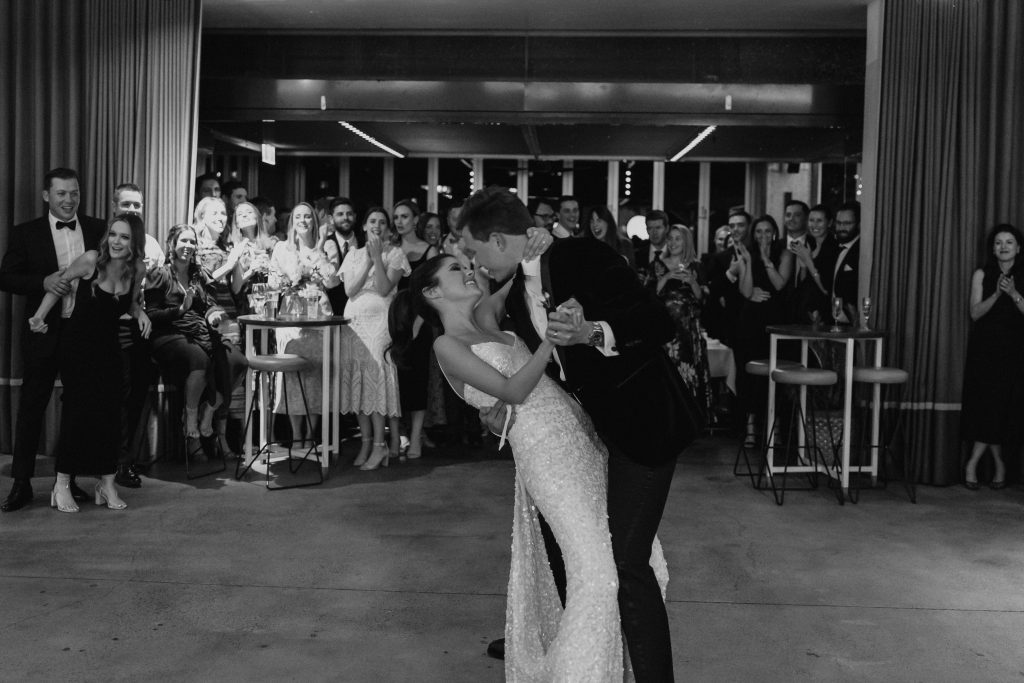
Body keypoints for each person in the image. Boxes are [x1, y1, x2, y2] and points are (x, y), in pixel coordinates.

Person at [458, 186, 693, 680]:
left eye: (474, 250)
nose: (473, 262)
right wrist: (500, 406)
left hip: (647, 424)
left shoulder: (581, 255)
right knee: (580, 554)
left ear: (497, 240)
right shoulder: (514, 295)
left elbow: (656, 322)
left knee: (627, 563)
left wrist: (592, 331)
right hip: (592, 436)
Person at [27, 214, 151, 512]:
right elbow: (59, 286)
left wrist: (141, 313)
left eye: (124, 237)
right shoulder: (91, 260)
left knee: (110, 416)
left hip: (109, 349)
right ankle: (61, 483)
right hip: (77, 347)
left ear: (134, 242)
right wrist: (39, 316)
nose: (116, 241)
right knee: (77, 414)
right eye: (113, 234)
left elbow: (130, 302)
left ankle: (106, 484)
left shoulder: (138, 269)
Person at [0, 168, 106, 512]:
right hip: (43, 331)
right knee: (32, 406)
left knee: (78, 409)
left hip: (83, 333)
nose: (69, 200)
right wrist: (42, 282)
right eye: (61, 193)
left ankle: (68, 479)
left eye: (74, 193)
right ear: (47, 195)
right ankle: (21, 483)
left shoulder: (97, 228)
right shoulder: (25, 233)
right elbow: (6, 277)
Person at [144, 224, 247, 456]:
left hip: (199, 330)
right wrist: (180, 310)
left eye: (192, 242)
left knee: (238, 362)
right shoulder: (159, 274)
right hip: (168, 333)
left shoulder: (199, 275)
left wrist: (214, 315)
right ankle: (190, 418)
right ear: (172, 244)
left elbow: (210, 305)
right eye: (183, 241)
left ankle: (208, 410)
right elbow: (152, 315)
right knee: (200, 359)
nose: (188, 246)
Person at [339, 208, 410, 469]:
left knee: (375, 380)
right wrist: (368, 261)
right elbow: (350, 289)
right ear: (364, 226)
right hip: (354, 325)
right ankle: (366, 442)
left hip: (379, 324)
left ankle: (380, 445)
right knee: (358, 383)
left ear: (388, 228)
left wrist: (378, 258)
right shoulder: (353, 254)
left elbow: (383, 288)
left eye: (382, 222)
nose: (377, 225)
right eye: (372, 221)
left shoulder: (396, 254)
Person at [269, 202, 341, 445]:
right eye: (298, 216)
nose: (303, 220)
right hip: (291, 314)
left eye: (308, 216)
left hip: (318, 313)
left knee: (316, 374)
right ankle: (297, 436)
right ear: (292, 221)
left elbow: (333, 282)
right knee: (292, 376)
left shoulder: (326, 247)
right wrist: (289, 279)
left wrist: (318, 253)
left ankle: (311, 436)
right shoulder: (282, 248)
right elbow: (272, 281)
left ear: (314, 221)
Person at [961, 225, 1024, 490]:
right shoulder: (982, 274)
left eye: (1009, 242)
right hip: (985, 350)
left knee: (1003, 407)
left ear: (1018, 248)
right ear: (993, 248)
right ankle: (993, 465)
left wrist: (1013, 293)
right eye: (999, 242)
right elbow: (974, 313)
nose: (1004, 247)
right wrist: (997, 294)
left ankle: (976, 463)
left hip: (1015, 350)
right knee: (986, 405)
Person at [109, 183, 157, 489]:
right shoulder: (106, 240)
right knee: (115, 396)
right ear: (114, 206)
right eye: (126, 204)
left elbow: (140, 295)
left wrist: (139, 311)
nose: (132, 210)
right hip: (107, 328)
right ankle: (112, 460)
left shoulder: (150, 246)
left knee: (136, 394)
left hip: (138, 328)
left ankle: (125, 461)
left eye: (137, 205)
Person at [733, 215, 794, 446]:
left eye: (767, 231)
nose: (763, 236)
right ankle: (750, 428)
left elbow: (779, 284)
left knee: (774, 373)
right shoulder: (745, 254)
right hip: (750, 320)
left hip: (775, 318)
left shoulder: (784, 254)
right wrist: (749, 262)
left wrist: (767, 260)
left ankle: (775, 428)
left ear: (775, 232)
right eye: (759, 231)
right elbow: (746, 291)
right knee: (749, 374)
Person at [644, 224, 713, 419]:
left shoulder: (696, 266)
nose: (672, 242)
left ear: (686, 241)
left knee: (688, 375)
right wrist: (666, 277)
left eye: (677, 238)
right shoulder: (657, 265)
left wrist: (692, 282)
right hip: (664, 332)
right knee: (666, 376)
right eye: (670, 238)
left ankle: (691, 419)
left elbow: (704, 300)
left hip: (688, 332)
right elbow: (647, 296)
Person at [393, 199, 440, 459]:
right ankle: (399, 434)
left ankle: (416, 437)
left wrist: (419, 323)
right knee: (395, 381)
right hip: (394, 321)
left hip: (420, 321)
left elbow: (433, 291)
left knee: (418, 381)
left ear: (415, 219)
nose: (399, 221)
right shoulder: (392, 248)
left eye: (404, 216)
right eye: (396, 217)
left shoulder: (429, 250)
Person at [789, 204, 839, 324]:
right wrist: (803, 266)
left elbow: (826, 289)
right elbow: (803, 283)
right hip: (804, 310)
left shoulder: (834, 248)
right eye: (811, 220)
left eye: (819, 221)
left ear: (829, 223)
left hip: (822, 313)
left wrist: (808, 261)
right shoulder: (809, 244)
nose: (814, 225)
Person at [831, 201, 861, 323]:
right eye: (839, 223)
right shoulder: (834, 248)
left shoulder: (862, 250)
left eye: (847, 223)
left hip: (853, 322)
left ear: (858, 224)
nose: (841, 228)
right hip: (833, 322)